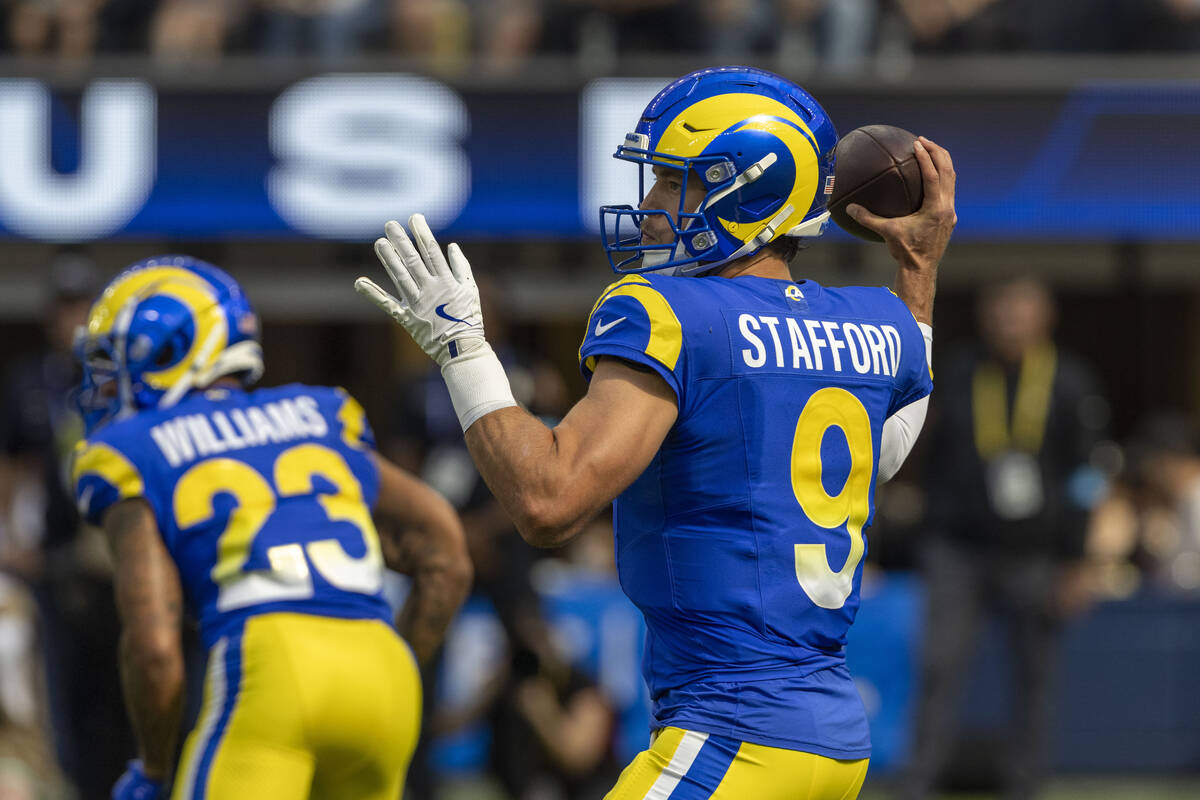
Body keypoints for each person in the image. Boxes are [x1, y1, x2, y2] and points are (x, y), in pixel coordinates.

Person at [357, 65, 955, 797]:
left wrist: (462, 351)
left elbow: (548, 502)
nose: (649, 207)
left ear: (750, 192)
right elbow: (883, 456)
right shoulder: (878, 323)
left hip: (737, 731)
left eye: (676, 182)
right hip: (830, 741)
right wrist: (918, 274)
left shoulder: (671, 314)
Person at [69, 256, 471, 799]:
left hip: (271, 662)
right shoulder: (320, 413)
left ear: (170, 351)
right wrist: (390, 667)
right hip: (382, 671)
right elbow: (445, 553)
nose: (105, 382)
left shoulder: (130, 450)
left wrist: (155, 770)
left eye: (116, 359)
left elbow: (155, 648)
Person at [897, 278, 1106, 800]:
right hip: (959, 550)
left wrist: (1079, 560)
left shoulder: (1071, 382)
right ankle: (919, 779)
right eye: (1000, 310)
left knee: (1035, 675)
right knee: (938, 667)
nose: (1008, 321)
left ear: (1045, 319)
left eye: (1021, 311)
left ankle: (1024, 782)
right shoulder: (962, 371)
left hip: (1037, 554)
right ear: (985, 316)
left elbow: (1087, 476)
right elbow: (931, 456)